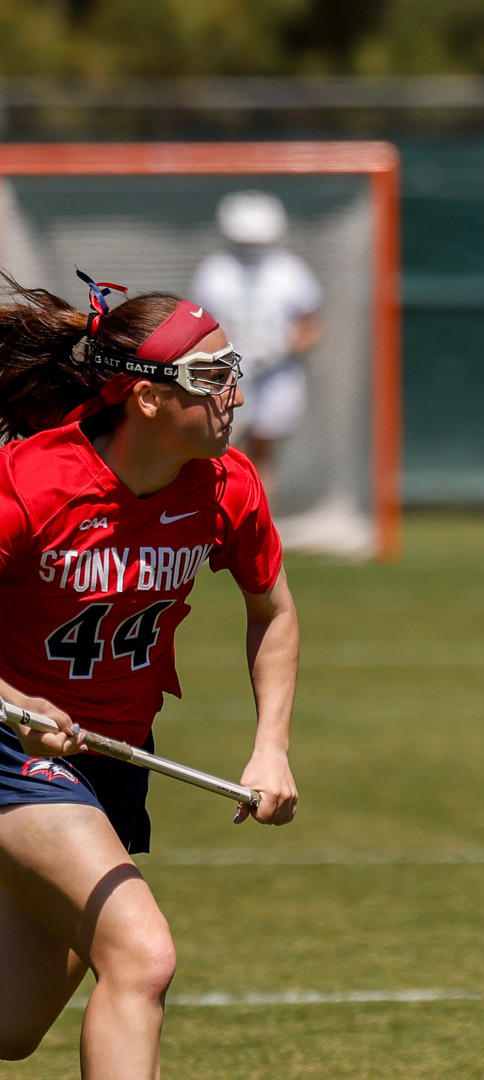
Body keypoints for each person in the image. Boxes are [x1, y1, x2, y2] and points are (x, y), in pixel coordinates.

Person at [0, 271, 299, 1078]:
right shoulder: (32, 482)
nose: (233, 392)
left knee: (11, 1024)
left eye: (233, 369)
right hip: (15, 756)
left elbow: (272, 611)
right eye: (211, 378)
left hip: (113, 759)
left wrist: (270, 747)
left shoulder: (226, 486)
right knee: (142, 956)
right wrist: (13, 699)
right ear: (145, 398)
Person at [190, 189, 324, 500]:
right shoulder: (214, 270)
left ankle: (255, 521)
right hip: (224, 373)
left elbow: (311, 325)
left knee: (263, 453)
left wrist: (280, 348)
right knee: (217, 448)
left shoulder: (290, 270)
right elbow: (200, 321)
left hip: (276, 375)